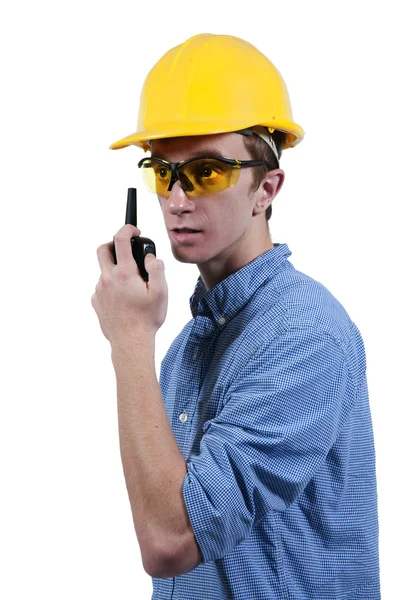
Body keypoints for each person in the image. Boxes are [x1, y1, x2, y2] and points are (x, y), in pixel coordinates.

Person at [104, 33, 380, 599]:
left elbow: (170, 542)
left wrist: (129, 337)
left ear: (266, 187)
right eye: (163, 172)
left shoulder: (305, 333)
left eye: (206, 172)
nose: (178, 199)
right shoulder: (187, 348)